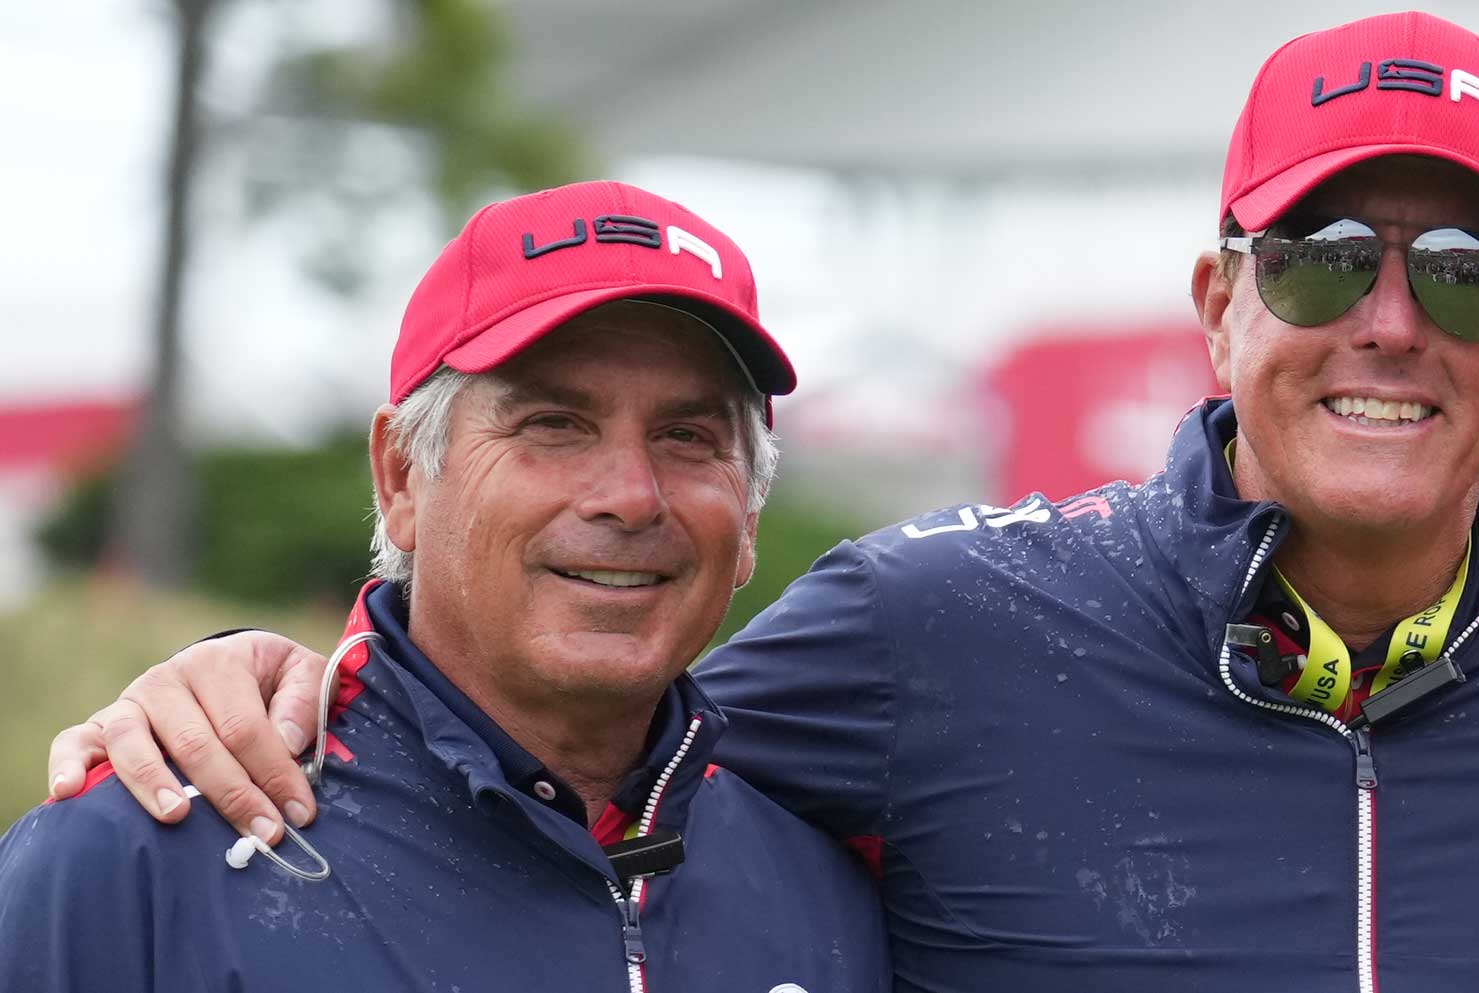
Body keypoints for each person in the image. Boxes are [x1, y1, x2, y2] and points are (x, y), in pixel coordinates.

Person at [39, 12, 1479, 991]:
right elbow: (547, 705)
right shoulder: (938, 627)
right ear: (1220, 301)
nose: (1388, 319)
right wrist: (251, 673)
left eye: (1466, 273)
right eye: (1319, 260)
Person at [0, 180, 890, 993]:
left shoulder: (835, 892)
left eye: (689, 436)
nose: (629, 495)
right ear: (400, 479)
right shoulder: (133, 863)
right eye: (554, 423)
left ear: (751, 515)